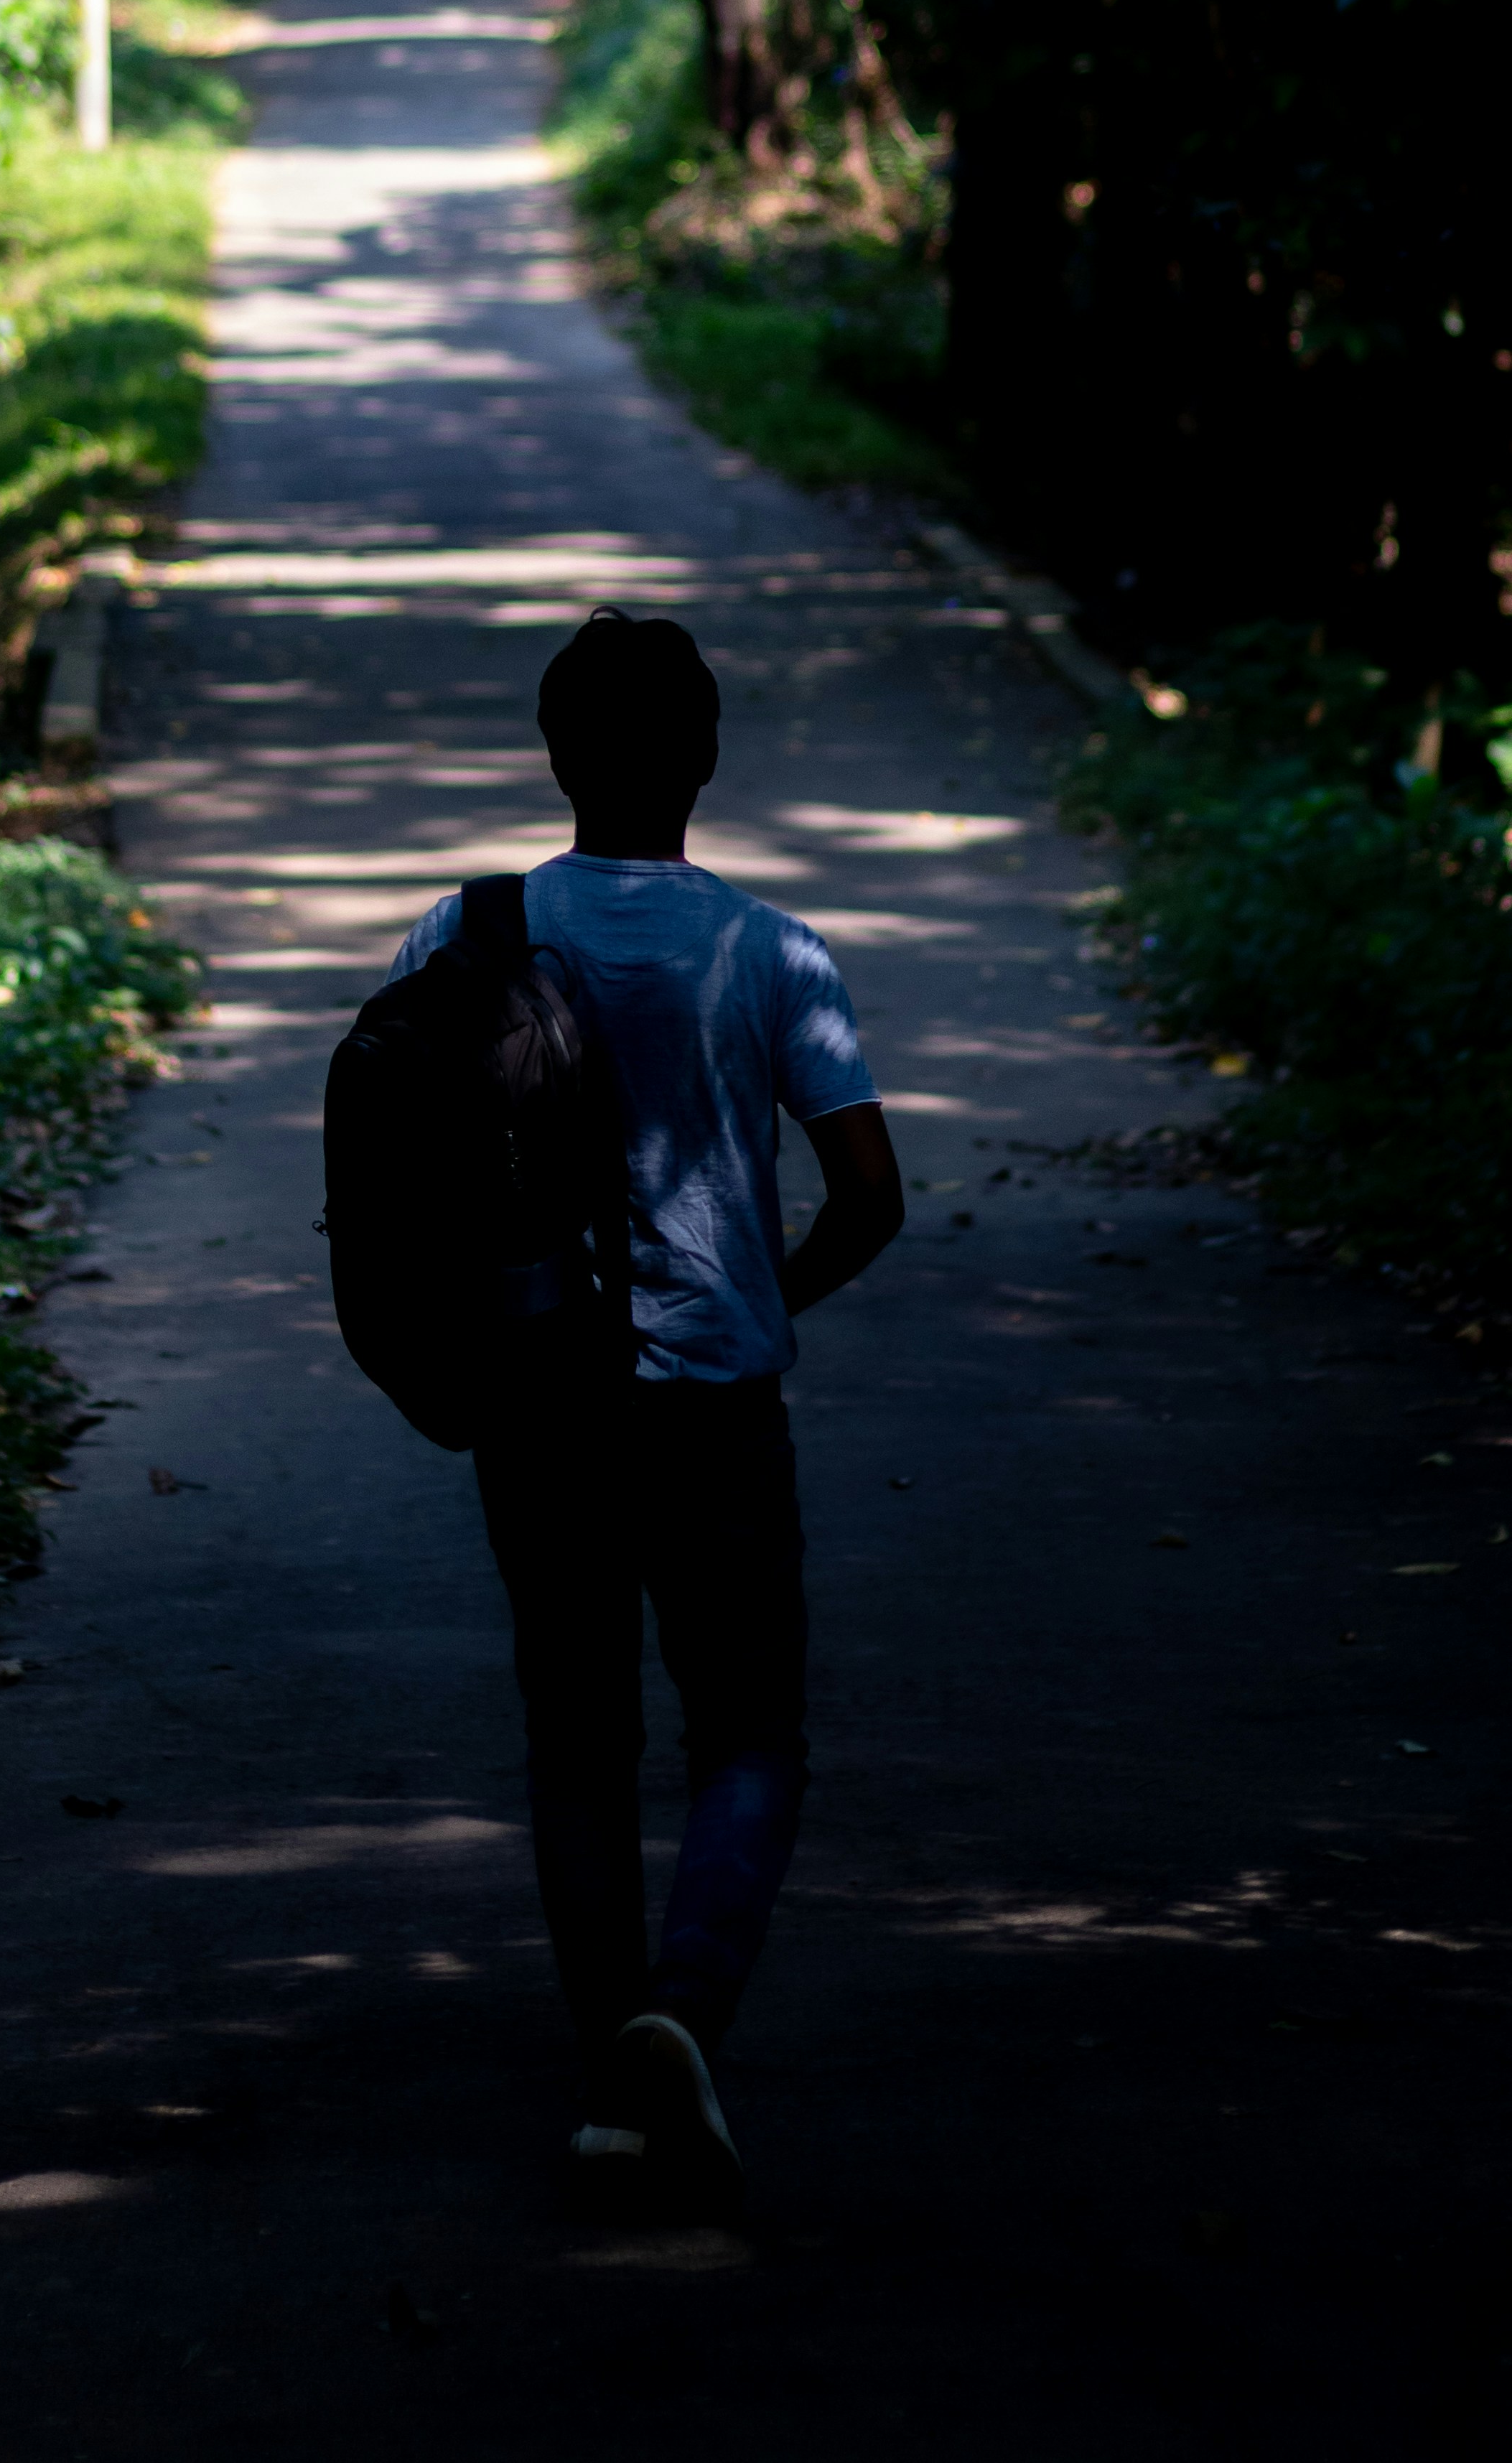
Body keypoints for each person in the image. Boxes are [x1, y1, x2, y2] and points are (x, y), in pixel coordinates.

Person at [382, 607, 904, 2203]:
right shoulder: (768, 952)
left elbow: (388, 1169)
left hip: (539, 1410)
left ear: (551, 757)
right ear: (706, 759)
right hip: (712, 1412)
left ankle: (615, 2068)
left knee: (576, 1737)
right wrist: (754, 1293)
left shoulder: (459, 938)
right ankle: (680, 2019)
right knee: (747, 1732)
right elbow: (867, 1199)